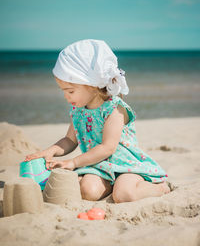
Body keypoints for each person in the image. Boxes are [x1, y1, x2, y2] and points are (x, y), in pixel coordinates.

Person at [25, 39, 170, 203]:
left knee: (123, 195)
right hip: (98, 165)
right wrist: (50, 151)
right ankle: (109, 185)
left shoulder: (114, 109)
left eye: (70, 91)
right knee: (88, 191)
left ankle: (160, 188)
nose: (66, 97)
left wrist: (73, 162)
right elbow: (69, 140)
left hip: (125, 165)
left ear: (92, 85)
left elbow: (107, 148)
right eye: (63, 91)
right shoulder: (78, 110)